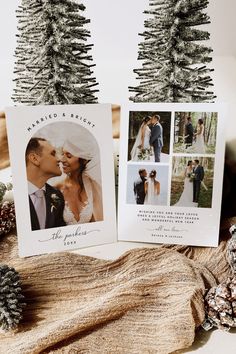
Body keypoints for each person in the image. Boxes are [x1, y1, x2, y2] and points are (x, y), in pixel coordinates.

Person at [58, 135, 103, 225]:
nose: (62, 160)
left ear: (84, 160)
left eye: (69, 156)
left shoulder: (93, 186)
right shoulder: (57, 187)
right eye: (63, 154)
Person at [26, 137, 66, 231]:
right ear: (35, 158)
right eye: (53, 154)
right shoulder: (12, 196)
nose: (59, 159)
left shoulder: (57, 196)